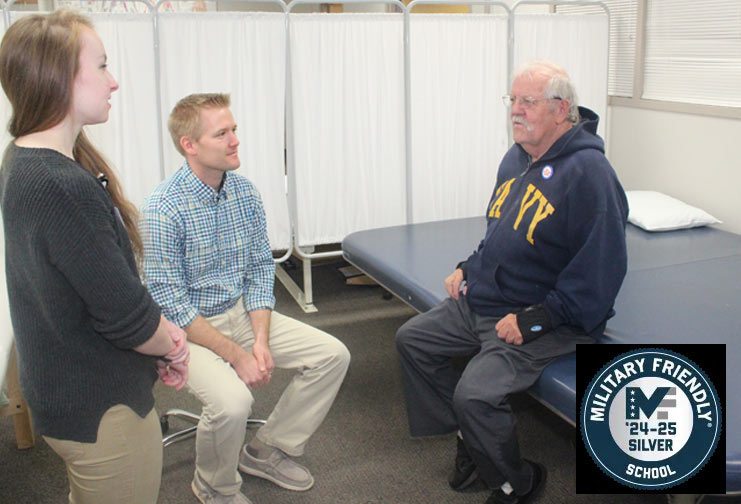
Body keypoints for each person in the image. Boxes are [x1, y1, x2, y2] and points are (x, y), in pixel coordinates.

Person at [395, 60, 628, 504]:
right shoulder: (518, 157)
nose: (516, 111)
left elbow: (601, 275)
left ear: (561, 110)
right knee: (414, 341)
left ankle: (517, 481)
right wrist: (468, 266)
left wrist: (536, 319)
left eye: (528, 102)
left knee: (476, 395)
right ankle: (470, 437)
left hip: (546, 317)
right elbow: (501, 231)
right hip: (486, 297)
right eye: (513, 101)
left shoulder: (590, 176)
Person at [0, 10, 189, 504]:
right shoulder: (59, 185)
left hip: (65, 390)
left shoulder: (23, 159)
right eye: (102, 66)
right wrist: (169, 342)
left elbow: (90, 286)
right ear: (59, 77)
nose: (114, 81)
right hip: (100, 406)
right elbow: (124, 315)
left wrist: (156, 338)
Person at [140, 93, 351, 504]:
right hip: (187, 331)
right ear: (190, 144)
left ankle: (266, 448)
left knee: (332, 355)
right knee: (235, 403)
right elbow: (173, 306)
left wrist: (258, 340)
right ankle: (213, 486)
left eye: (234, 129)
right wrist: (238, 356)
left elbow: (258, 271)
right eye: (222, 133)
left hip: (239, 314)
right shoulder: (163, 209)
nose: (236, 140)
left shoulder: (245, 193)